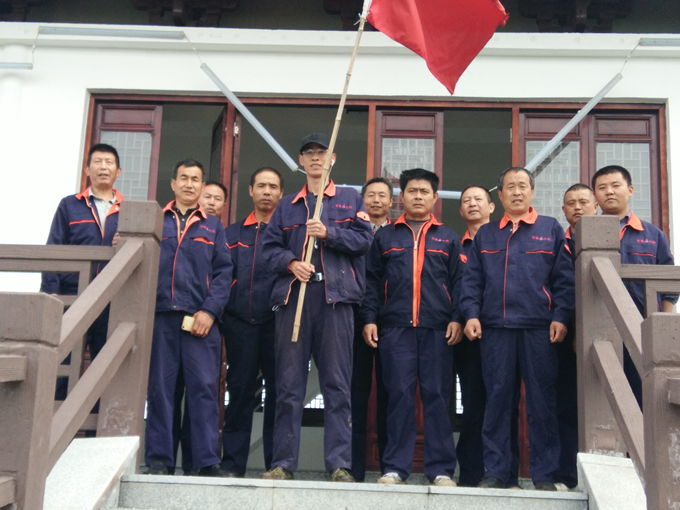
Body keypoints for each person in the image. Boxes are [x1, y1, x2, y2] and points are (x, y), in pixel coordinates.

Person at [260, 133, 373, 482]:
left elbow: (365, 240)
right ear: (301, 160)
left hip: (335, 301)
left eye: (321, 152)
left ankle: (339, 464)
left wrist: (328, 233)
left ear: (332, 158)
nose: (315, 157)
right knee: (288, 384)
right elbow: (268, 250)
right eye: (308, 152)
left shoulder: (350, 199)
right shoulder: (287, 205)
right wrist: (292, 263)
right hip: (294, 299)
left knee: (337, 384)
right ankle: (282, 463)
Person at [461, 167, 575, 491]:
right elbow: (472, 281)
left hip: (539, 329)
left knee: (542, 402)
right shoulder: (486, 235)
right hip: (495, 328)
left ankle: (545, 475)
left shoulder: (550, 229)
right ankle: (499, 473)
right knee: (498, 400)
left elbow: (564, 281)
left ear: (532, 192)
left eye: (522, 186)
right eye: (510, 187)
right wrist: (471, 314)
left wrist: (561, 316)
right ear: (500, 195)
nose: (516, 192)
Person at [363, 168, 463, 487]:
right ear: (401, 196)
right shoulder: (386, 237)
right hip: (396, 329)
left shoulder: (449, 238)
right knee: (399, 398)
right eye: (412, 191)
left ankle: (441, 470)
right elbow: (371, 282)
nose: (418, 196)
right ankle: (395, 467)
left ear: (435, 197)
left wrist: (457, 318)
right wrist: (370, 319)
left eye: (424, 192)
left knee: (437, 398)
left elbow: (461, 284)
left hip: (438, 330)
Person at [145, 159, 233, 477]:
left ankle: (205, 461)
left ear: (201, 186)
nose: (189, 184)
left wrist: (209, 311)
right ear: (173, 183)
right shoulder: (156, 220)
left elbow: (224, 273)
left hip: (201, 321)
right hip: (161, 317)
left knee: (204, 389)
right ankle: (160, 460)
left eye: (195, 179)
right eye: (183, 178)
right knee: (161, 390)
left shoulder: (213, 226)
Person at [41, 143, 123, 399]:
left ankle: (96, 426)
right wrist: (51, 292)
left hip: (111, 300)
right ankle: (53, 423)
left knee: (104, 369)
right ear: (87, 169)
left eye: (109, 162)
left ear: (118, 171)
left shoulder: (128, 210)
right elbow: (54, 247)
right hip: (72, 297)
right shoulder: (70, 205)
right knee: (62, 366)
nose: (103, 167)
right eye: (97, 162)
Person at [592, 165, 677, 407]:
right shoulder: (586, 234)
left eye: (615, 185)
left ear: (630, 190)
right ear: (595, 196)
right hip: (599, 327)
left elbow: (668, 281)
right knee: (600, 394)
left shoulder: (653, 234)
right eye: (602, 187)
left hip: (642, 327)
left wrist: (663, 323)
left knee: (644, 392)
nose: (609, 191)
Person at [219, 167, 284, 477]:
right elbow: (222, 275)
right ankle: (233, 465)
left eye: (273, 187)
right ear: (251, 191)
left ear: (281, 194)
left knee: (279, 394)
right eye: (261, 186)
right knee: (240, 392)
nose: (266, 191)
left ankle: (277, 464)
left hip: (278, 323)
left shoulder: (287, 234)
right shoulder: (231, 234)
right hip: (240, 323)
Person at [456, 185, 520, 489]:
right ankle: (471, 474)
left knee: (505, 402)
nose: (472, 204)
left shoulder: (508, 240)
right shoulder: (454, 245)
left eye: (478, 199)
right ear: (460, 210)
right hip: (467, 337)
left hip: (501, 331)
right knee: (473, 405)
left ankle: (506, 473)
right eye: (466, 201)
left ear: (492, 206)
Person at [555, 183, 599, 489]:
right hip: (563, 334)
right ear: (564, 210)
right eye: (571, 203)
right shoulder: (558, 242)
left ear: (595, 205)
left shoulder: (614, 237)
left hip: (609, 336)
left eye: (584, 201)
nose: (578, 207)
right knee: (565, 404)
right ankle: (566, 475)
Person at [351, 176, 392, 481]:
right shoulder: (352, 231)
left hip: (391, 323)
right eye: (371, 195)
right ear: (362, 200)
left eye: (382, 196)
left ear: (391, 202)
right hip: (353, 321)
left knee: (391, 393)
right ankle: (353, 467)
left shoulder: (398, 234)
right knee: (355, 393)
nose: (376, 200)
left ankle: (391, 465)